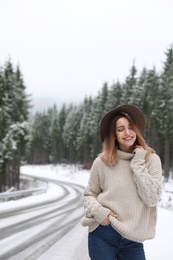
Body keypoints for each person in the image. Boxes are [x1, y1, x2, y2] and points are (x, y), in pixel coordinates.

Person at [81, 104, 162, 260]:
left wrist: (138, 163)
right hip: (104, 235)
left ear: (137, 130)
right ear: (114, 135)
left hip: (133, 240)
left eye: (131, 127)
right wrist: (98, 211)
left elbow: (152, 198)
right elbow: (89, 195)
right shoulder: (102, 162)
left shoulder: (151, 160)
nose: (127, 133)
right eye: (120, 129)